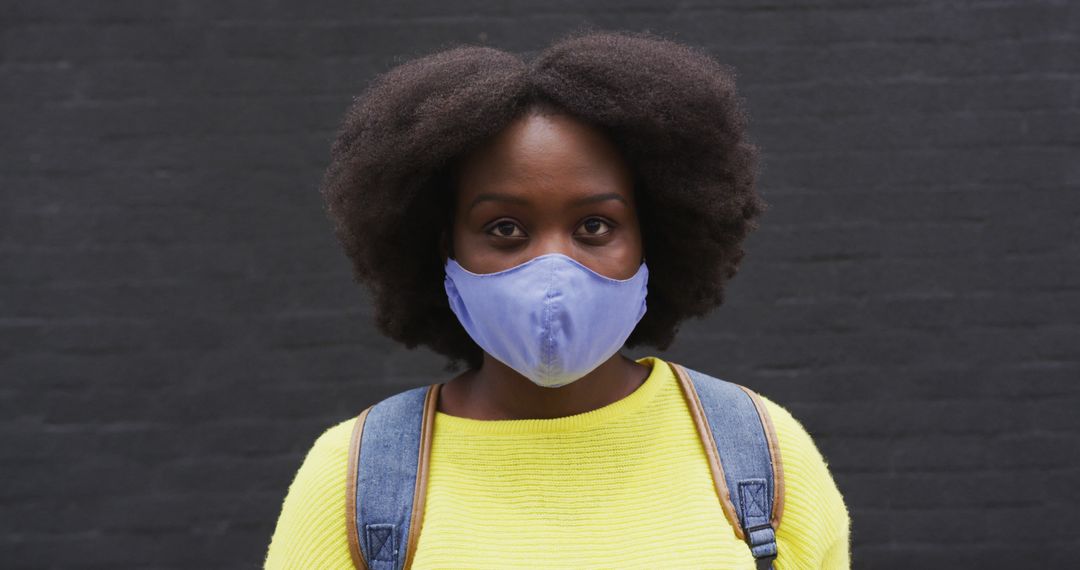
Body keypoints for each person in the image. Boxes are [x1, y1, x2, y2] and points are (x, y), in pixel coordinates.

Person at [265, 29, 850, 569]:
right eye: (504, 229)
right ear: (445, 249)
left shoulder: (763, 458)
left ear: (655, 237)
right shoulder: (353, 480)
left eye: (595, 226)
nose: (553, 269)